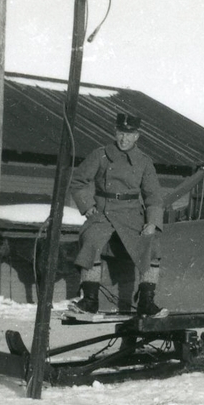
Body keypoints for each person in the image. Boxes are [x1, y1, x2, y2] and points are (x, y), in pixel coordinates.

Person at [69, 113, 165, 317]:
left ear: (137, 136)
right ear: (115, 132)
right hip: (103, 211)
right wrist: (87, 206)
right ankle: (89, 301)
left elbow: (154, 196)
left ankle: (146, 302)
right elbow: (78, 181)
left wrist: (152, 222)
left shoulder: (144, 162)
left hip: (132, 214)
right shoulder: (100, 155)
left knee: (152, 244)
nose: (124, 139)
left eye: (129, 135)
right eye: (121, 133)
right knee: (91, 239)